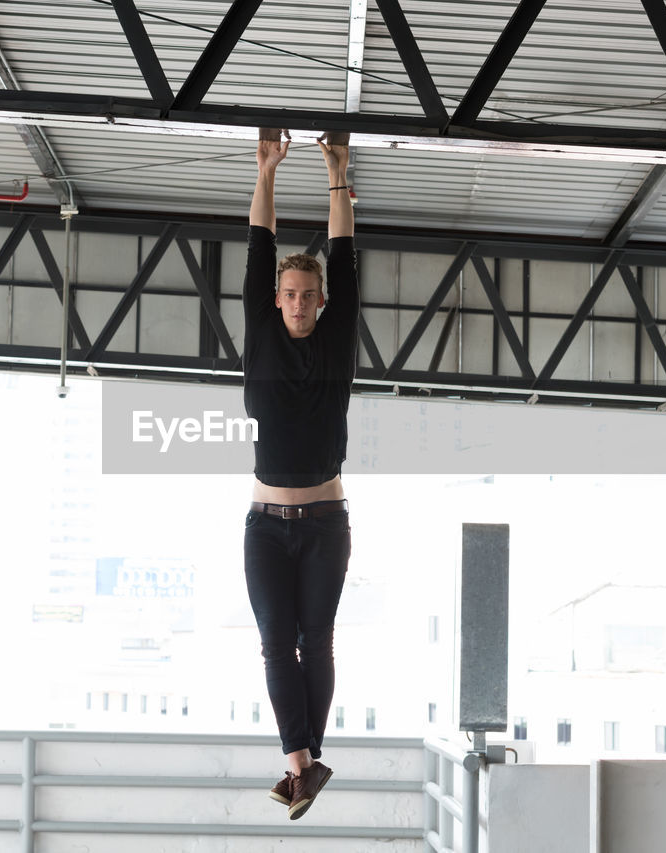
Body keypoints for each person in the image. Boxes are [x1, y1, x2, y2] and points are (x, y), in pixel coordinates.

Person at [241, 130, 358, 822]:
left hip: (324, 523)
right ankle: (301, 765)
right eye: (289, 293)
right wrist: (266, 171)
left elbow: (345, 257)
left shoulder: (337, 336)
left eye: (308, 295)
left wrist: (336, 173)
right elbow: (259, 244)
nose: (297, 302)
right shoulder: (261, 328)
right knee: (273, 640)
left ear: (320, 301)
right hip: (264, 524)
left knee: (316, 640)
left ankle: (304, 766)